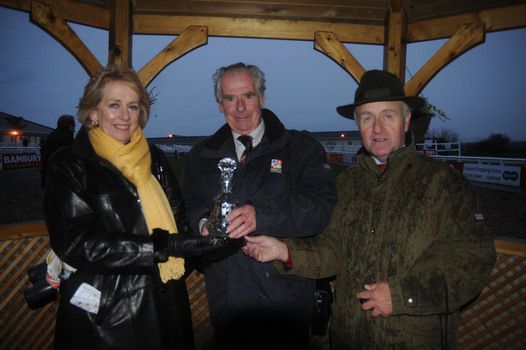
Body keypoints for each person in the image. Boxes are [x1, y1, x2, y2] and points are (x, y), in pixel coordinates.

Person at [242, 70, 497, 349]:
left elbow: (473, 262)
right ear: (358, 125)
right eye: (367, 118)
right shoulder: (347, 184)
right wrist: (284, 251)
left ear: (407, 120)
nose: (377, 128)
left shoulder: (444, 184)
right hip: (349, 338)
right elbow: (332, 250)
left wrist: (402, 296)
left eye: (388, 116)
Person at [44, 66, 227, 350]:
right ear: (93, 111)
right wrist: (163, 246)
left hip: (166, 299)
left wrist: (210, 240)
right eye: (114, 105)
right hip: (109, 312)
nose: (125, 116)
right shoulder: (69, 163)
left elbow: (179, 221)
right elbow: (77, 243)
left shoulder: (153, 157)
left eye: (132, 106)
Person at [180, 62, 337, 348]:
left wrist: (260, 215)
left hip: (285, 304)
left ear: (262, 98)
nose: (240, 107)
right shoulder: (200, 157)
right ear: (220, 104)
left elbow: (319, 208)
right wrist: (204, 224)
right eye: (230, 98)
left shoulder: (300, 149)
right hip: (227, 305)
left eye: (248, 96)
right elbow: (189, 204)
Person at [40, 114, 75, 187]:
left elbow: (43, 152)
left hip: (48, 174)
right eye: (73, 124)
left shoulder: (51, 135)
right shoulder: (67, 138)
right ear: (70, 125)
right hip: (61, 176)